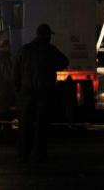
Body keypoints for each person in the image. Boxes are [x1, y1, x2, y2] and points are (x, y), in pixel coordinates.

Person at [13, 23, 69, 163]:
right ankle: (39, 154)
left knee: (25, 124)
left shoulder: (24, 50)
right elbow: (64, 62)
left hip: (26, 94)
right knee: (41, 125)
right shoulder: (50, 50)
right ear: (47, 35)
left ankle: (23, 153)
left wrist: (18, 90)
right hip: (44, 93)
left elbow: (15, 73)